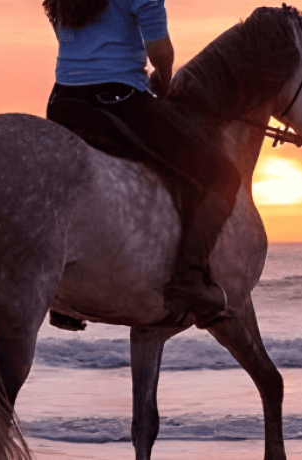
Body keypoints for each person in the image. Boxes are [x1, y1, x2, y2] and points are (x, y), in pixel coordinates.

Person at [42, 0, 241, 328]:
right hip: (116, 104)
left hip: (63, 103)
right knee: (221, 176)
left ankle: (64, 296)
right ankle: (189, 280)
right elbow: (161, 55)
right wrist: (163, 83)